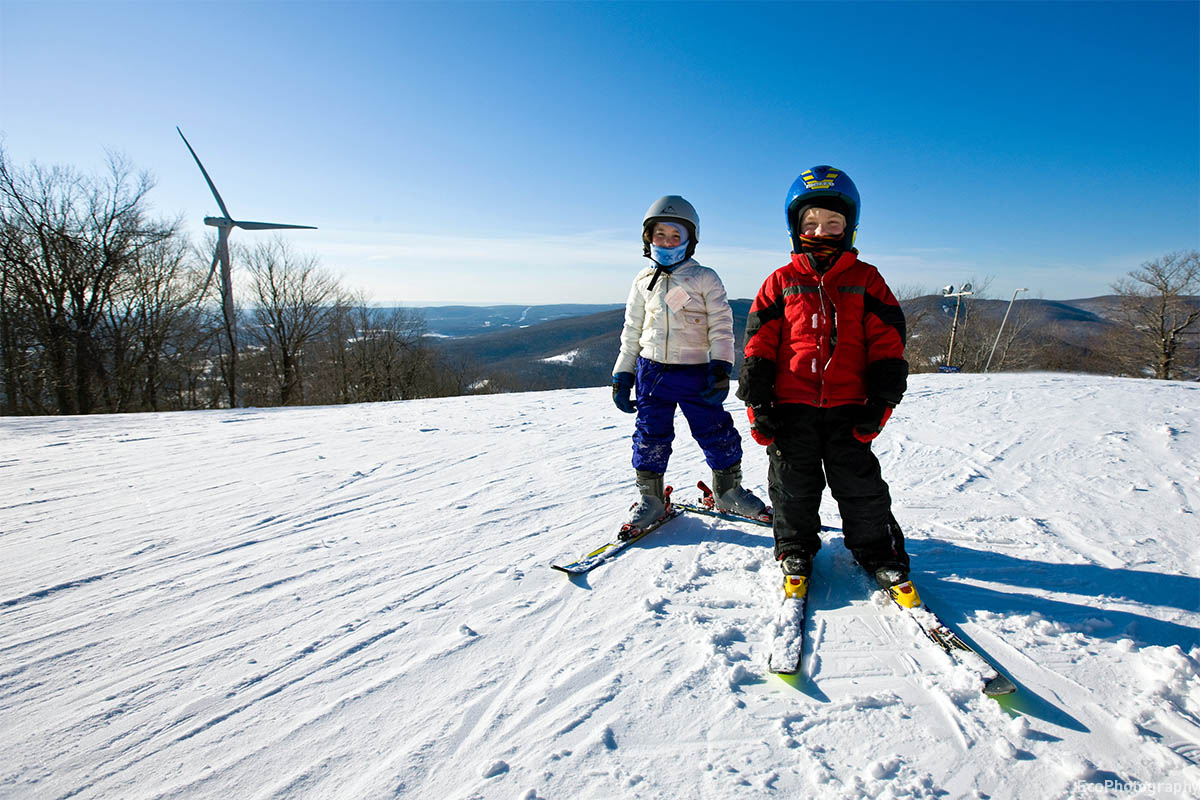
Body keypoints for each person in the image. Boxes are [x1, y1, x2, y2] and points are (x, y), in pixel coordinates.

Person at [737, 166, 911, 589]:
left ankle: (877, 552)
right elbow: (758, 345)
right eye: (811, 222)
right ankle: (795, 548)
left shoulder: (866, 279)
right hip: (791, 406)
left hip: (849, 406)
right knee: (792, 484)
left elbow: (889, 342)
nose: (822, 230)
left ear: (850, 228)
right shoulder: (780, 282)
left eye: (834, 223)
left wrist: (881, 400)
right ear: (795, 227)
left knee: (860, 486)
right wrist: (758, 404)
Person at [611, 195, 767, 535]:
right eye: (659, 234)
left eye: (675, 235)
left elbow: (721, 326)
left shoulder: (704, 278)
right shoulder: (642, 281)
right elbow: (632, 330)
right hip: (652, 373)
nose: (666, 242)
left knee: (715, 431)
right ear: (647, 238)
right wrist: (623, 373)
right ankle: (651, 499)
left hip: (697, 372)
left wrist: (721, 365)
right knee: (650, 436)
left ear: (689, 240)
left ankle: (727, 491)